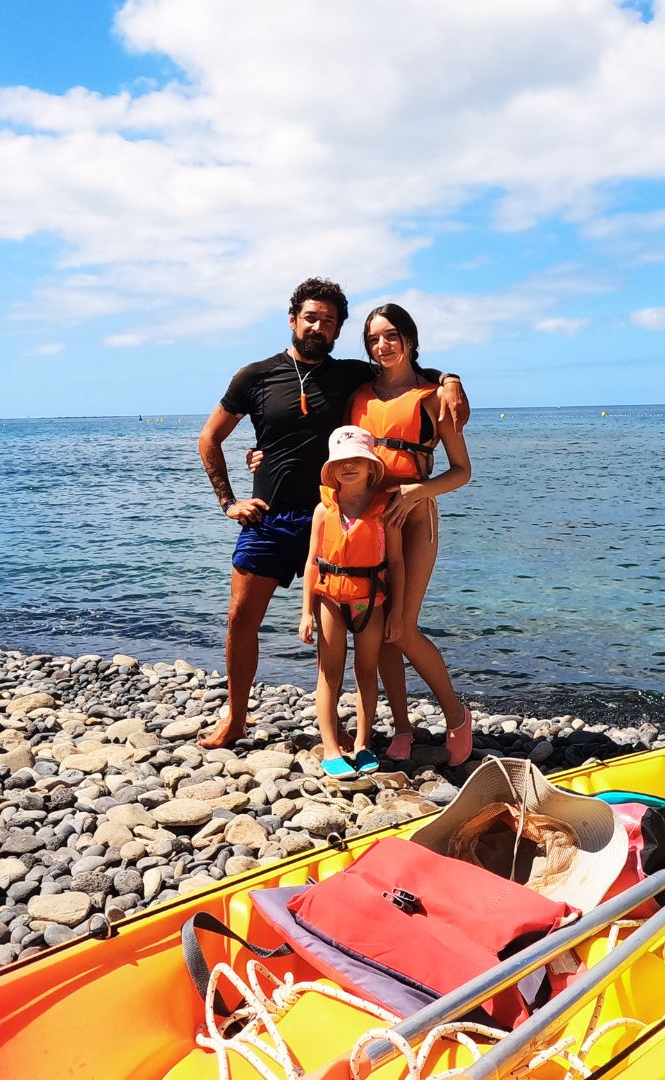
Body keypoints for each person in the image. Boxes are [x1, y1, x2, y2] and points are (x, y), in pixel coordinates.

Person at [197, 277, 467, 749]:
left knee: (345, 627)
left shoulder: (351, 377)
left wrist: (451, 379)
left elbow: (406, 369)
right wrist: (228, 501)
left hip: (343, 516)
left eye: (328, 320)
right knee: (241, 616)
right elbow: (209, 438)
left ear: (338, 329)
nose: (318, 326)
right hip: (270, 517)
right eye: (310, 317)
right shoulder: (254, 376)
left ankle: (344, 728)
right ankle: (236, 717)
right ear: (292, 320)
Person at [349, 303, 473, 765]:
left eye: (391, 335)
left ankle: (456, 715)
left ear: (410, 339)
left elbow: (461, 470)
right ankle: (402, 726)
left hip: (415, 516)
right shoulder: (359, 394)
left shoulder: (435, 397)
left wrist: (419, 490)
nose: (382, 345)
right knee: (379, 629)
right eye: (373, 339)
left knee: (402, 627)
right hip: (368, 518)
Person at [299, 426, 404, 778]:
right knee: (329, 672)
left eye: (357, 460)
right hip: (330, 598)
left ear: (371, 466)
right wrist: (306, 613)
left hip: (370, 600)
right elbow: (312, 562)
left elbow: (397, 563)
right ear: (331, 469)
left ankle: (362, 743)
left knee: (366, 670)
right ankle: (330, 747)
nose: (348, 466)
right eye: (341, 462)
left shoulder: (385, 511)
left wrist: (398, 612)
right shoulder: (322, 511)